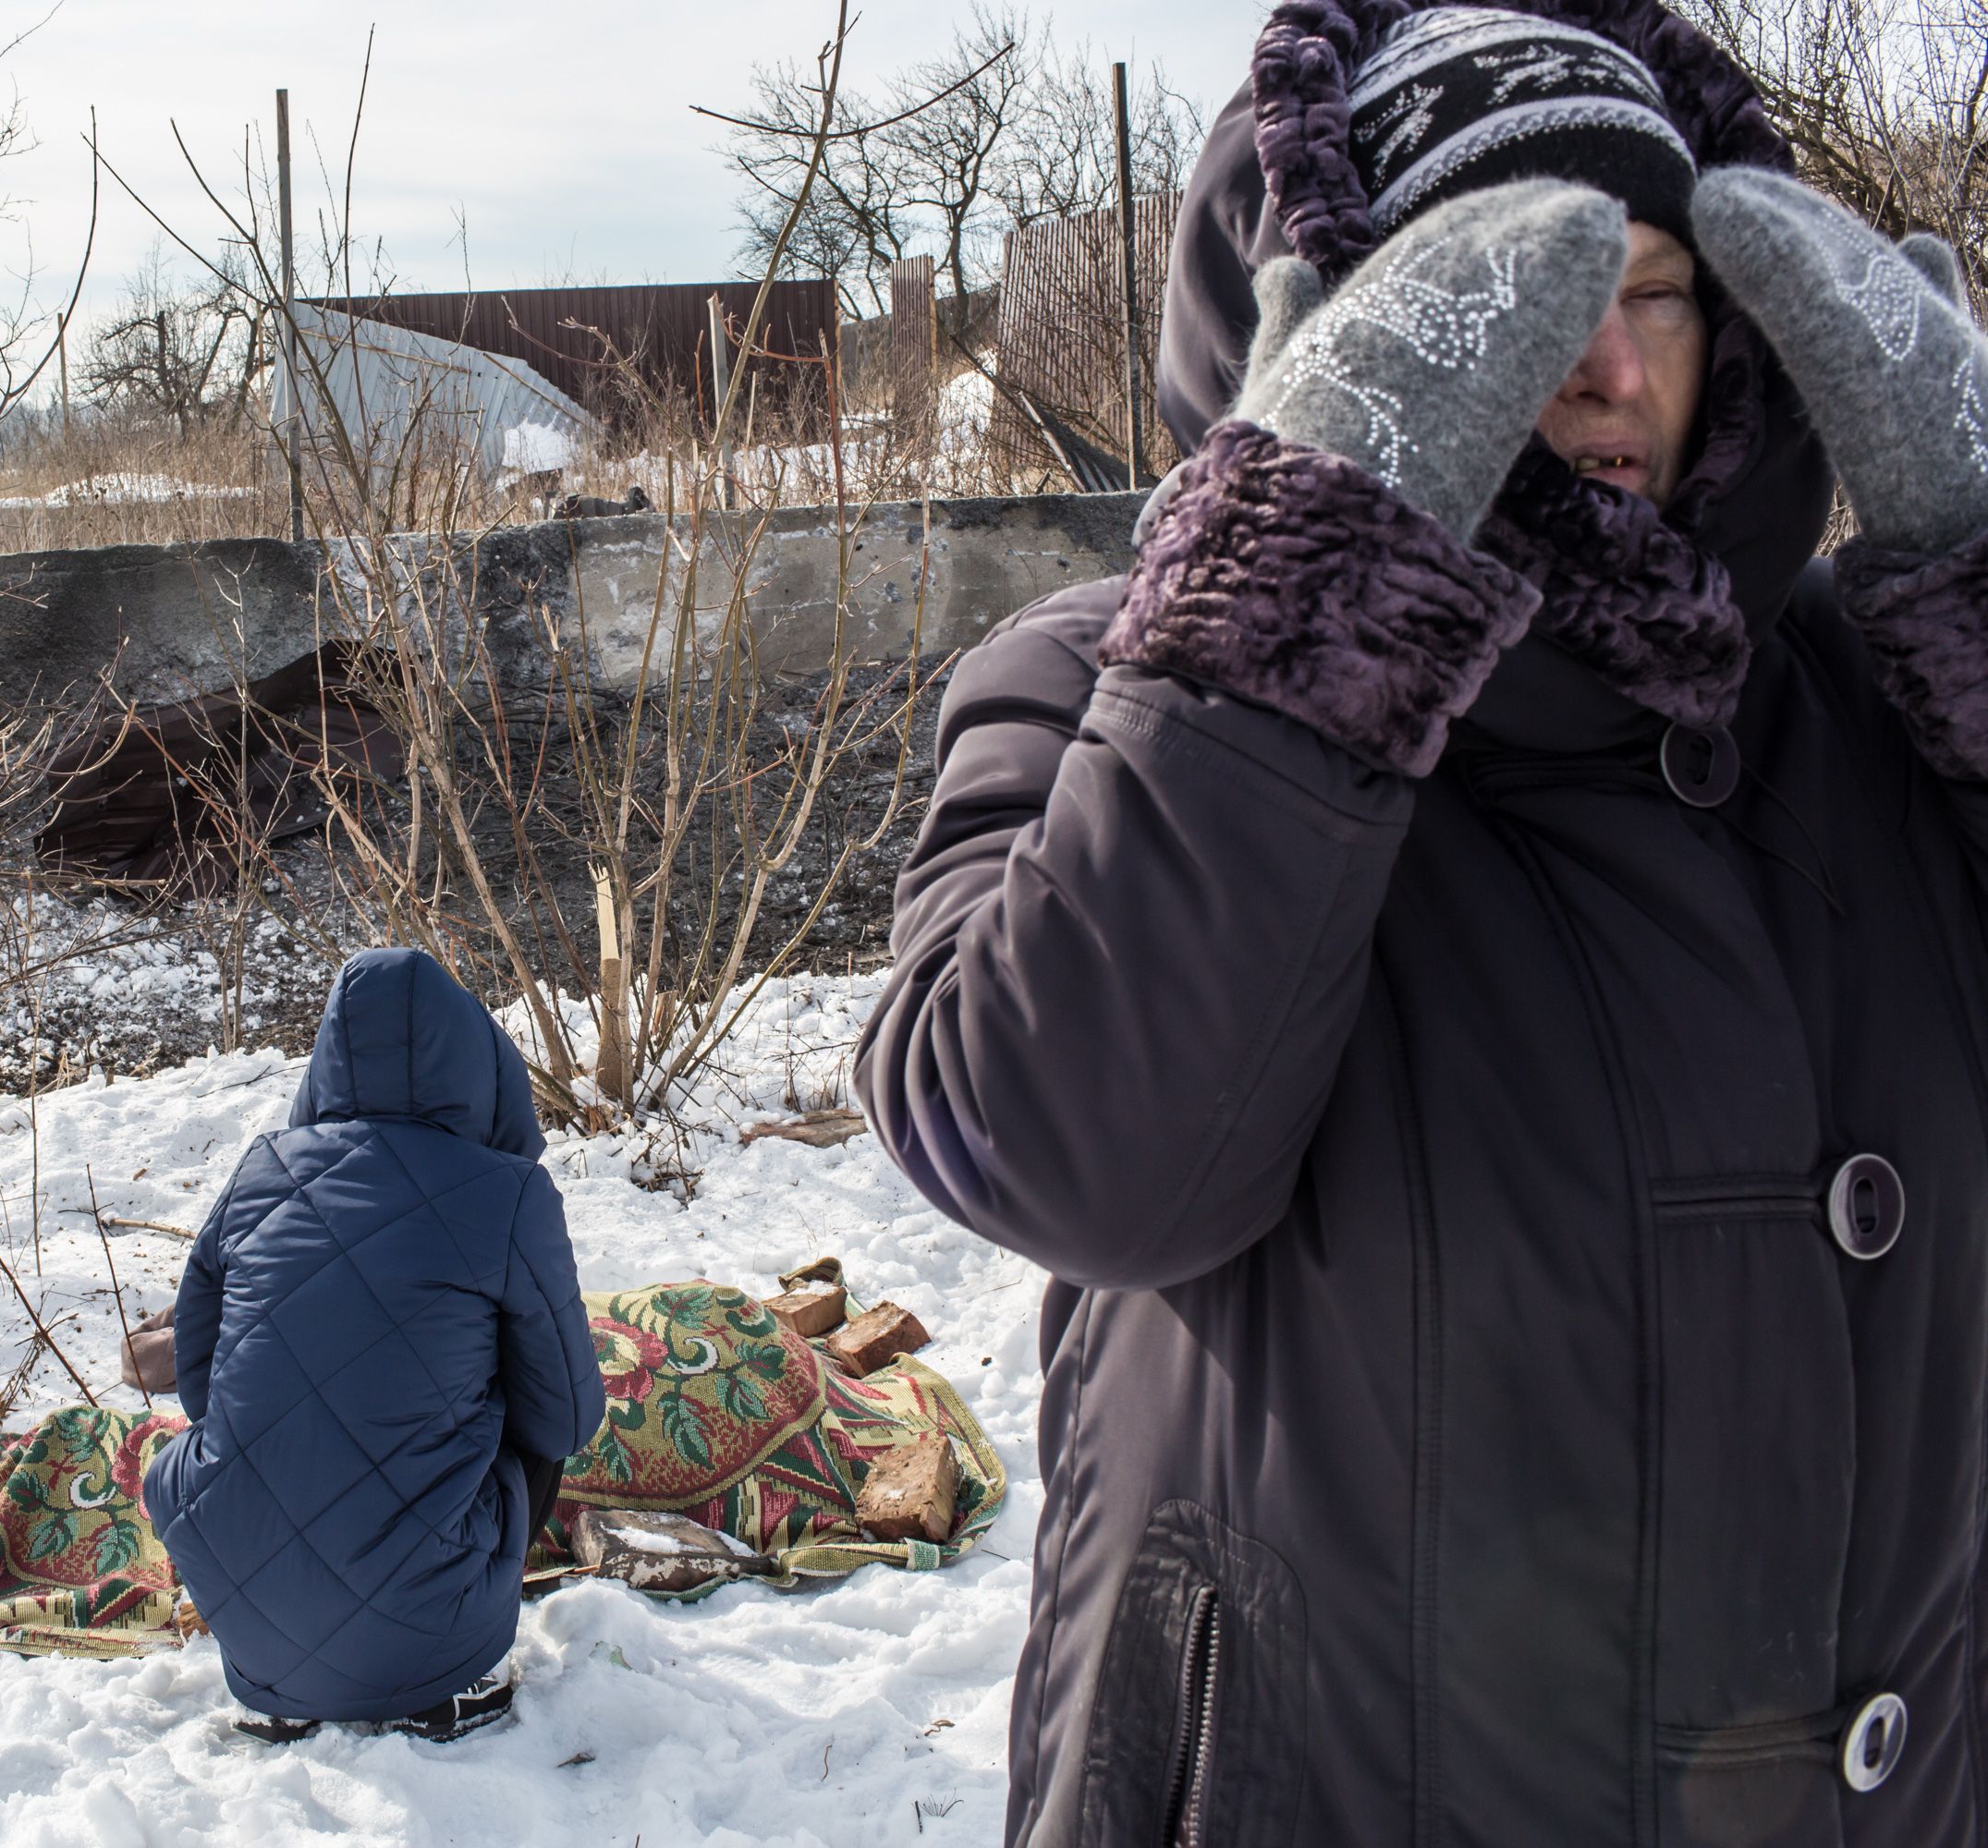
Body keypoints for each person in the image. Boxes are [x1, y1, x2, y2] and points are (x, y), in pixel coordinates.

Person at [856, 1, 1988, 1842]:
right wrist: (1301, 602)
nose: (1608, 368)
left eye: (1658, 289)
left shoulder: (1875, 700)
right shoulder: (1113, 685)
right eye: (1508, 293)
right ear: (1321, 321)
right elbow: (1065, 1155)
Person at [143, 946, 604, 1743]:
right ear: (479, 1061)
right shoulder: (510, 1195)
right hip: (433, 1637)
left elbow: (196, 1386)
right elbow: (564, 1420)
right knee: (524, 1427)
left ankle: (296, 1675)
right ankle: (458, 1673)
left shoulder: (259, 1176)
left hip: (249, 1626)